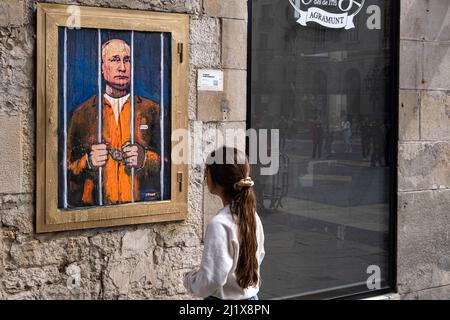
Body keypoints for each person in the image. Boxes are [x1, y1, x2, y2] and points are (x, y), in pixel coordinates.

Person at [67, 39, 161, 206]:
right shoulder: (81, 114)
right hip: (96, 209)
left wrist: (145, 159)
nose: (122, 67)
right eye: (115, 59)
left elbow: (172, 164)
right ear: (103, 68)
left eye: (127, 60)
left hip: (141, 206)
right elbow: (63, 170)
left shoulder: (152, 110)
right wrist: (87, 162)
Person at [183, 147, 265, 300]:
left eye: (206, 173)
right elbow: (258, 256)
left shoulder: (219, 224)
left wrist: (191, 280)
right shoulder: (252, 215)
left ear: (214, 179)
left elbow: (211, 279)